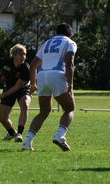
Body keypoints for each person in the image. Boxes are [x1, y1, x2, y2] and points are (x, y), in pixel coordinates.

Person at [22, 23, 77, 151]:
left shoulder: (46, 43)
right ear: (69, 33)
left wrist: (33, 83)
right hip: (57, 74)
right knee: (69, 109)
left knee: (43, 112)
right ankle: (60, 135)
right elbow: (69, 63)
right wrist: (71, 84)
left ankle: (27, 141)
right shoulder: (70, 42)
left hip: (42, 76)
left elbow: (33, 65)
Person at [0, 44, 31, 142]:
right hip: (8, 87)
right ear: (14, 55)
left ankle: (20, 134)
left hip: (22, 88)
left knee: (24, 104)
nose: (23, 57)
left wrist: (1, 96)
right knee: (3, 119)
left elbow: (17, 86)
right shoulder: (5, 62)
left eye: (24, 54)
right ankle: (12, 133)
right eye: (21, 54)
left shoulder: (26, 68)